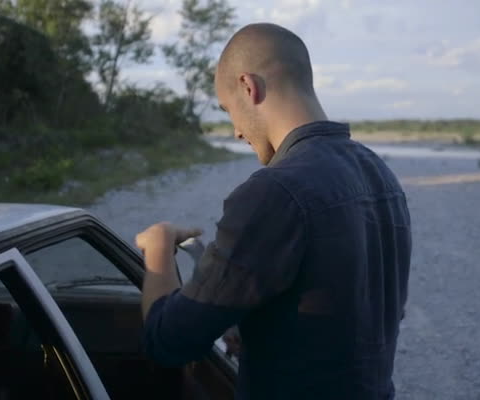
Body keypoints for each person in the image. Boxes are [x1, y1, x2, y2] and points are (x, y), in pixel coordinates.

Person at [134, 22, 412, 400]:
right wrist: (256, 324)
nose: (236, 131)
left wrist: (158, 249)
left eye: (228, 109)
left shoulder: (274, 191)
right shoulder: (380, 174)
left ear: (249, 87)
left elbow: (168, 342)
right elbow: (369, 312)